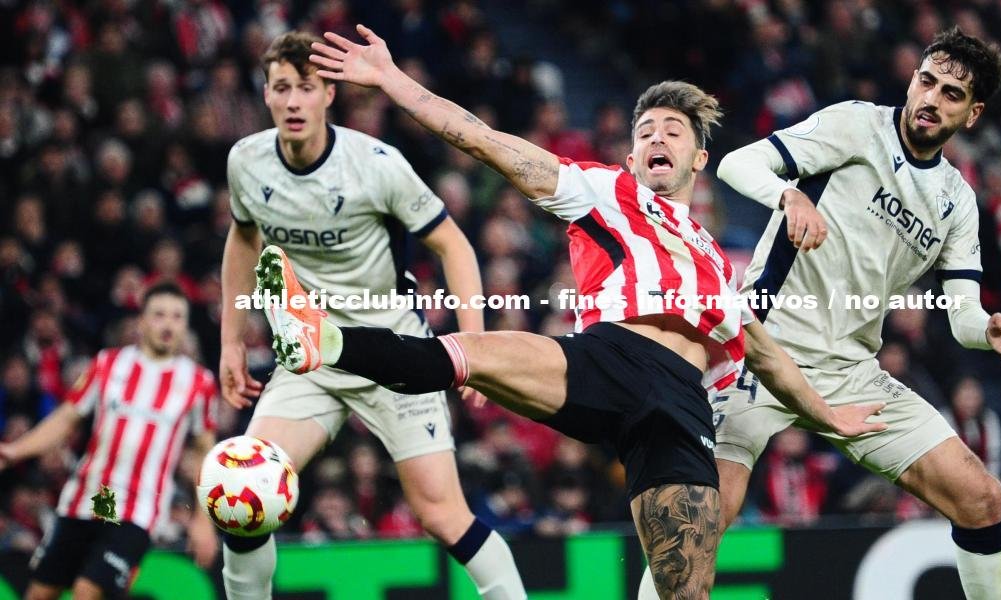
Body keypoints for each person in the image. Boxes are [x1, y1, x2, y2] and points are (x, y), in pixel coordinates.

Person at [290, 24, 884, 599]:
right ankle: (326, 340)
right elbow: (483, 140)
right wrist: (391, 80)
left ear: (700, 158)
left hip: (680, 406)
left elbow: (767, 357)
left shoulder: (718, 264)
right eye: (645, 132)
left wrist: (830, 417)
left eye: (673, 131)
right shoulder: (603, 191)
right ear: (630, 156)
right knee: (469, 354)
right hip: (609, 358)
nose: (657, 139)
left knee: (685, 591)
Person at [636, 27, 1001, 600]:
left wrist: (986, 329)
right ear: (912, 80)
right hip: (760, 353)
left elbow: (962, 313)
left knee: (981, 498)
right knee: (699, 521)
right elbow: (738, 165)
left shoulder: (956, 200)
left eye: (951, 94)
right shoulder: (857, 126)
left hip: (850, 373)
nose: (930, 99)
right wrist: (788, 195)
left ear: (972, 114)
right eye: (926, 82)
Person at [218, 31, 525, 600]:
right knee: (244, 489)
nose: (293, 101)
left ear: (328, 94)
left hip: (393, 353)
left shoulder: (376, 165)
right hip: (312, 355)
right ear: (265, 95)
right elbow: (242, 239)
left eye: (305, 87)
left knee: (443, 516)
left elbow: (454, 246)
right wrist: (231, 342)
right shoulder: (247, 162)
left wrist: (473, 348)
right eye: (281, 88)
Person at [0, 282, 219, 600]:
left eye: (177, 317)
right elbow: (66, 418)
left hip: (138, 510)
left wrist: (203, 519)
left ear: (186, 325)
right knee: (39, 593)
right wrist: (15, 450)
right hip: (85, 498)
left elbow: (205, 451)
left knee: (88, 591)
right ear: (142, 321)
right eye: (159, 315)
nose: (168, 324)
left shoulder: (199, 383)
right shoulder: (108, 364)